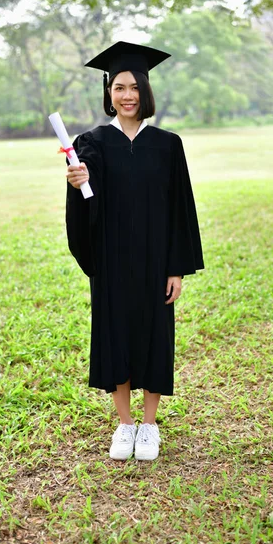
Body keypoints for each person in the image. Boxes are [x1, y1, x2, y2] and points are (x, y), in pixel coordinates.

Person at [65, 41, 204, 461]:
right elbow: (86, 201)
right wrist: (77, 184)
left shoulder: (167, 144)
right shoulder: (90, 143)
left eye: (134, 87)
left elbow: (182, 207)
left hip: (155, 261)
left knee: (154, 337)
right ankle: (124, 425)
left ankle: (149, 425)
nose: (127, 95)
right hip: (110, 259)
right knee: (115, 336)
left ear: (146, 91)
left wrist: (176, 267)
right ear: (108, 93)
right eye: (119, 87)